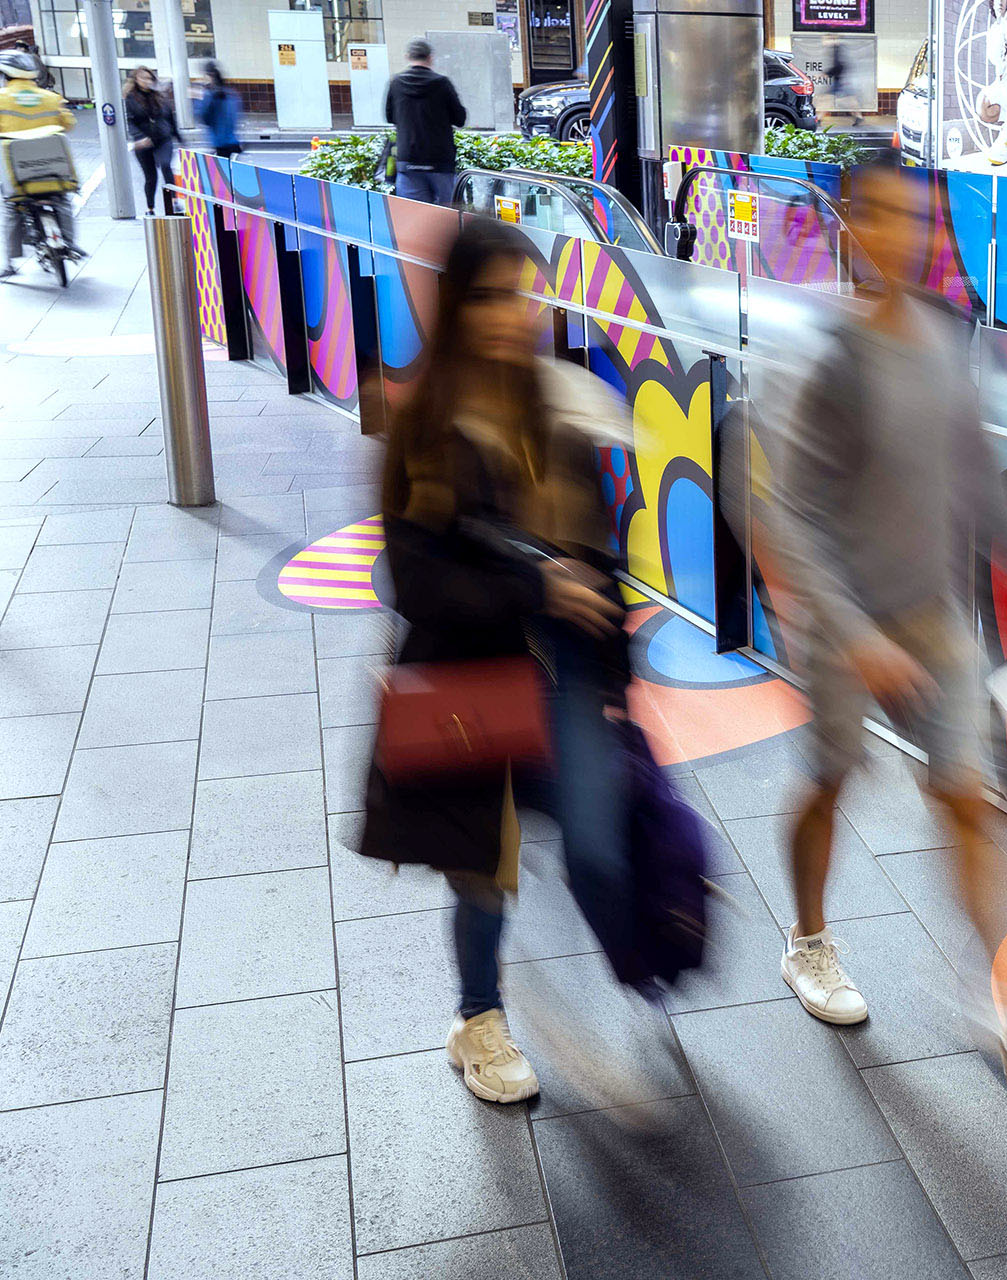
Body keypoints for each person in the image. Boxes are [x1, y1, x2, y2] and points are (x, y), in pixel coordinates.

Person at [773, 159, 1007, 1075]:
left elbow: (978, 476)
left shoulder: (947, 340)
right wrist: (857, 636)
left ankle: (1002, 1002)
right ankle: (807, 938)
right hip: (845, 628)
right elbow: (794, 516)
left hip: (936, 618)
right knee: (829, 781)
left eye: (915, 218)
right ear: (849, 224)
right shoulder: (829, 356)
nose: (901, 234)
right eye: (880, 216)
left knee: (965, 795)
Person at [357, 218, 637, 1105]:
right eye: (489, 297)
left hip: (567, 671)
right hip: (472, 671)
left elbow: (602, 554)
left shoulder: (556, 406)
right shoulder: (426, 423)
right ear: (456, 304)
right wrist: (535, 592)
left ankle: (617, 976)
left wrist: (619, 678)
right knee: (484, 864)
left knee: (596, 842)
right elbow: (412, 580)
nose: (512, 317)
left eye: (525, 296)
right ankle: (478, 1019)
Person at [0, 48, 81, 280]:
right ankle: (71, 244)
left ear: (6, 76)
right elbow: (69, 124)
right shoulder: (51, 98)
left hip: (18, 175)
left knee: (11, 210)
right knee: (63, 202)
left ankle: (9, 263)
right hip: (54, 170)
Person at [385, 39, 467, 205]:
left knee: (415, 216)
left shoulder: (396, 83)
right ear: (430, 58)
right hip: (440, 161)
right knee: (447, 217)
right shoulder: (442, 83)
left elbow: (389, 117)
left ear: (407, 56)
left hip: (408, 160)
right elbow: (460, 119)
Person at [975, 0, 1007, 166]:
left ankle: (1006, 136)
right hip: (1001, 78)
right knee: (982, 105)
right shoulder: (994, 28)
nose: (1000, 2)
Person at [124, 67, 181, 217]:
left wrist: (177, 135)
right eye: (143, 78)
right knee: (151, 177)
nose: (147, 81)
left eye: (149, 78)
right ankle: (150, 208)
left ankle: (175, 201)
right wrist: (139, 137)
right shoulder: (130, 98)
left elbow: (169, 117)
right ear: (136, 80)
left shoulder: (159, 96)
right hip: (143, 143)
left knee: (165, 165)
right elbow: (130, 122)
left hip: (163, 138)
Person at [193, 61, 242, 159]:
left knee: (223, 171)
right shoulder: (230, 94)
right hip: (232, 139)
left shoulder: (209, 95)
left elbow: (204, 117)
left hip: (219, 141)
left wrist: (197, 98)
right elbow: (235, 117)